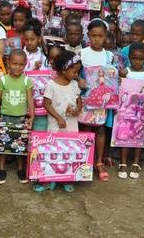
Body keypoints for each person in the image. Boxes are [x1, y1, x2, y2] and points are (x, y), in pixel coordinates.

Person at [33, 50, 83, 193]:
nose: (76, 75)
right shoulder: (51, 85)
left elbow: (79, 101)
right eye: (74, 71)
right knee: (53, 152)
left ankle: (67, 178)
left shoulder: (74, 85)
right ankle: (51, 179)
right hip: (56, 125)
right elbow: (46, 104)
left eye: (78, 72)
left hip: (72, 124)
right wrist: (59, 118)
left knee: (69, 151)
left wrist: (78, 109)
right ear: (63, 69)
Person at [79, 18, 115, 182]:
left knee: (100, 129)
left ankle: (98, 162)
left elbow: (113, 77)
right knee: (86, 128)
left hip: (102, 101)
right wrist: (79, 80)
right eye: (93, 36)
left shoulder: (109, 55)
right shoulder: (82, 53)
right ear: (88, 36)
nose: (97, 39)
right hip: (86, 98)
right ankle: (86, 159)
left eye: (100, 36)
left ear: (105, 36)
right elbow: (76, 73)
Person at [0, 49, 34, 185]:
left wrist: (32, 116)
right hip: (5, 117)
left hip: (21, 118)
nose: (17, 67)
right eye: (14, 63)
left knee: (20, 146)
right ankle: (1, 168)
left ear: (25, 64)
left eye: (21, 64)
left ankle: (21, 169)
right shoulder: (3, 79)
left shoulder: (27, 81)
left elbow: (30, 100)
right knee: (3, 144)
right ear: (8, 63)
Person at [117, 42, 144, 180]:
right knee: (125, 135)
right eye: (134, 58)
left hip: (142, 112)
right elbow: (120, 90)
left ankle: (136, 162)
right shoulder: (125, 72)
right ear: (129, 57)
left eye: (140, 59)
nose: (137, 61)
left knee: (139, 137)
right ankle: (123, 163)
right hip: (126, 111)